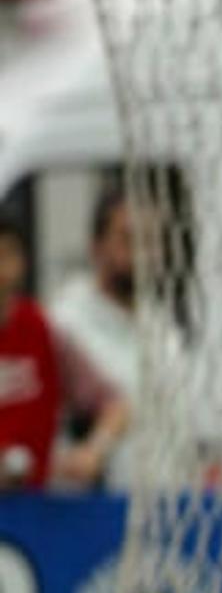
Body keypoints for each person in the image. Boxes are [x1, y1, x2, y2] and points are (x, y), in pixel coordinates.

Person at [47, 184, 171, 491]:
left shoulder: (163, 328)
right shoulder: (63, 325)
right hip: (92, 513)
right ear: (95, 247)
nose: (143, 253)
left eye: (151, 240)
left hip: (163, 507)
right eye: (128, 239)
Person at [0, 215, 127, 492]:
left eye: (7, 253)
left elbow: (116, 404)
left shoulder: (44, 330)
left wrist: (94, 451)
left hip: (35, 511)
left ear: (21, 262)